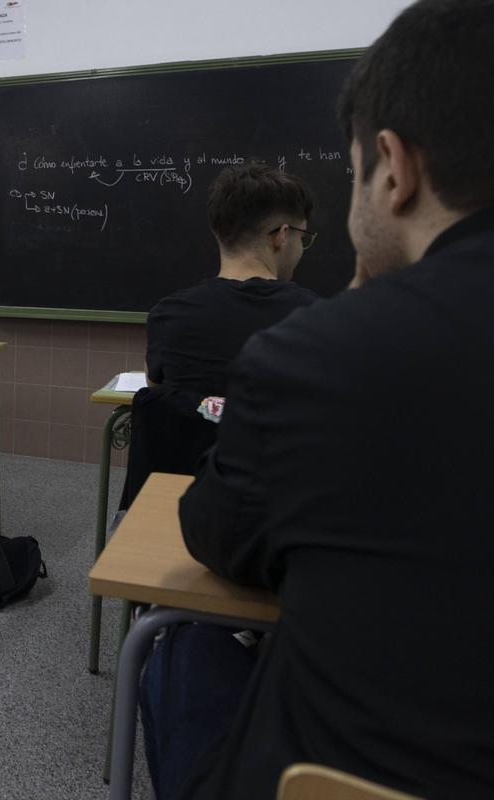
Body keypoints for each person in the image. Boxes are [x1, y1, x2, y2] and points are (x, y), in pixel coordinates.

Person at [148, 1, 494, 797]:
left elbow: (218, 534)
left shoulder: (319, 353)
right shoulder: (312, 331)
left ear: (394, 167)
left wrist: (362, 305)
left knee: (182, 647)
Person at [123, 165, 321, 510]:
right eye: (303, 237)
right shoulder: (319, 321)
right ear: (281, 236)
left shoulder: (169, 316)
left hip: (180, 507)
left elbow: (159, 398)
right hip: (283, 513)